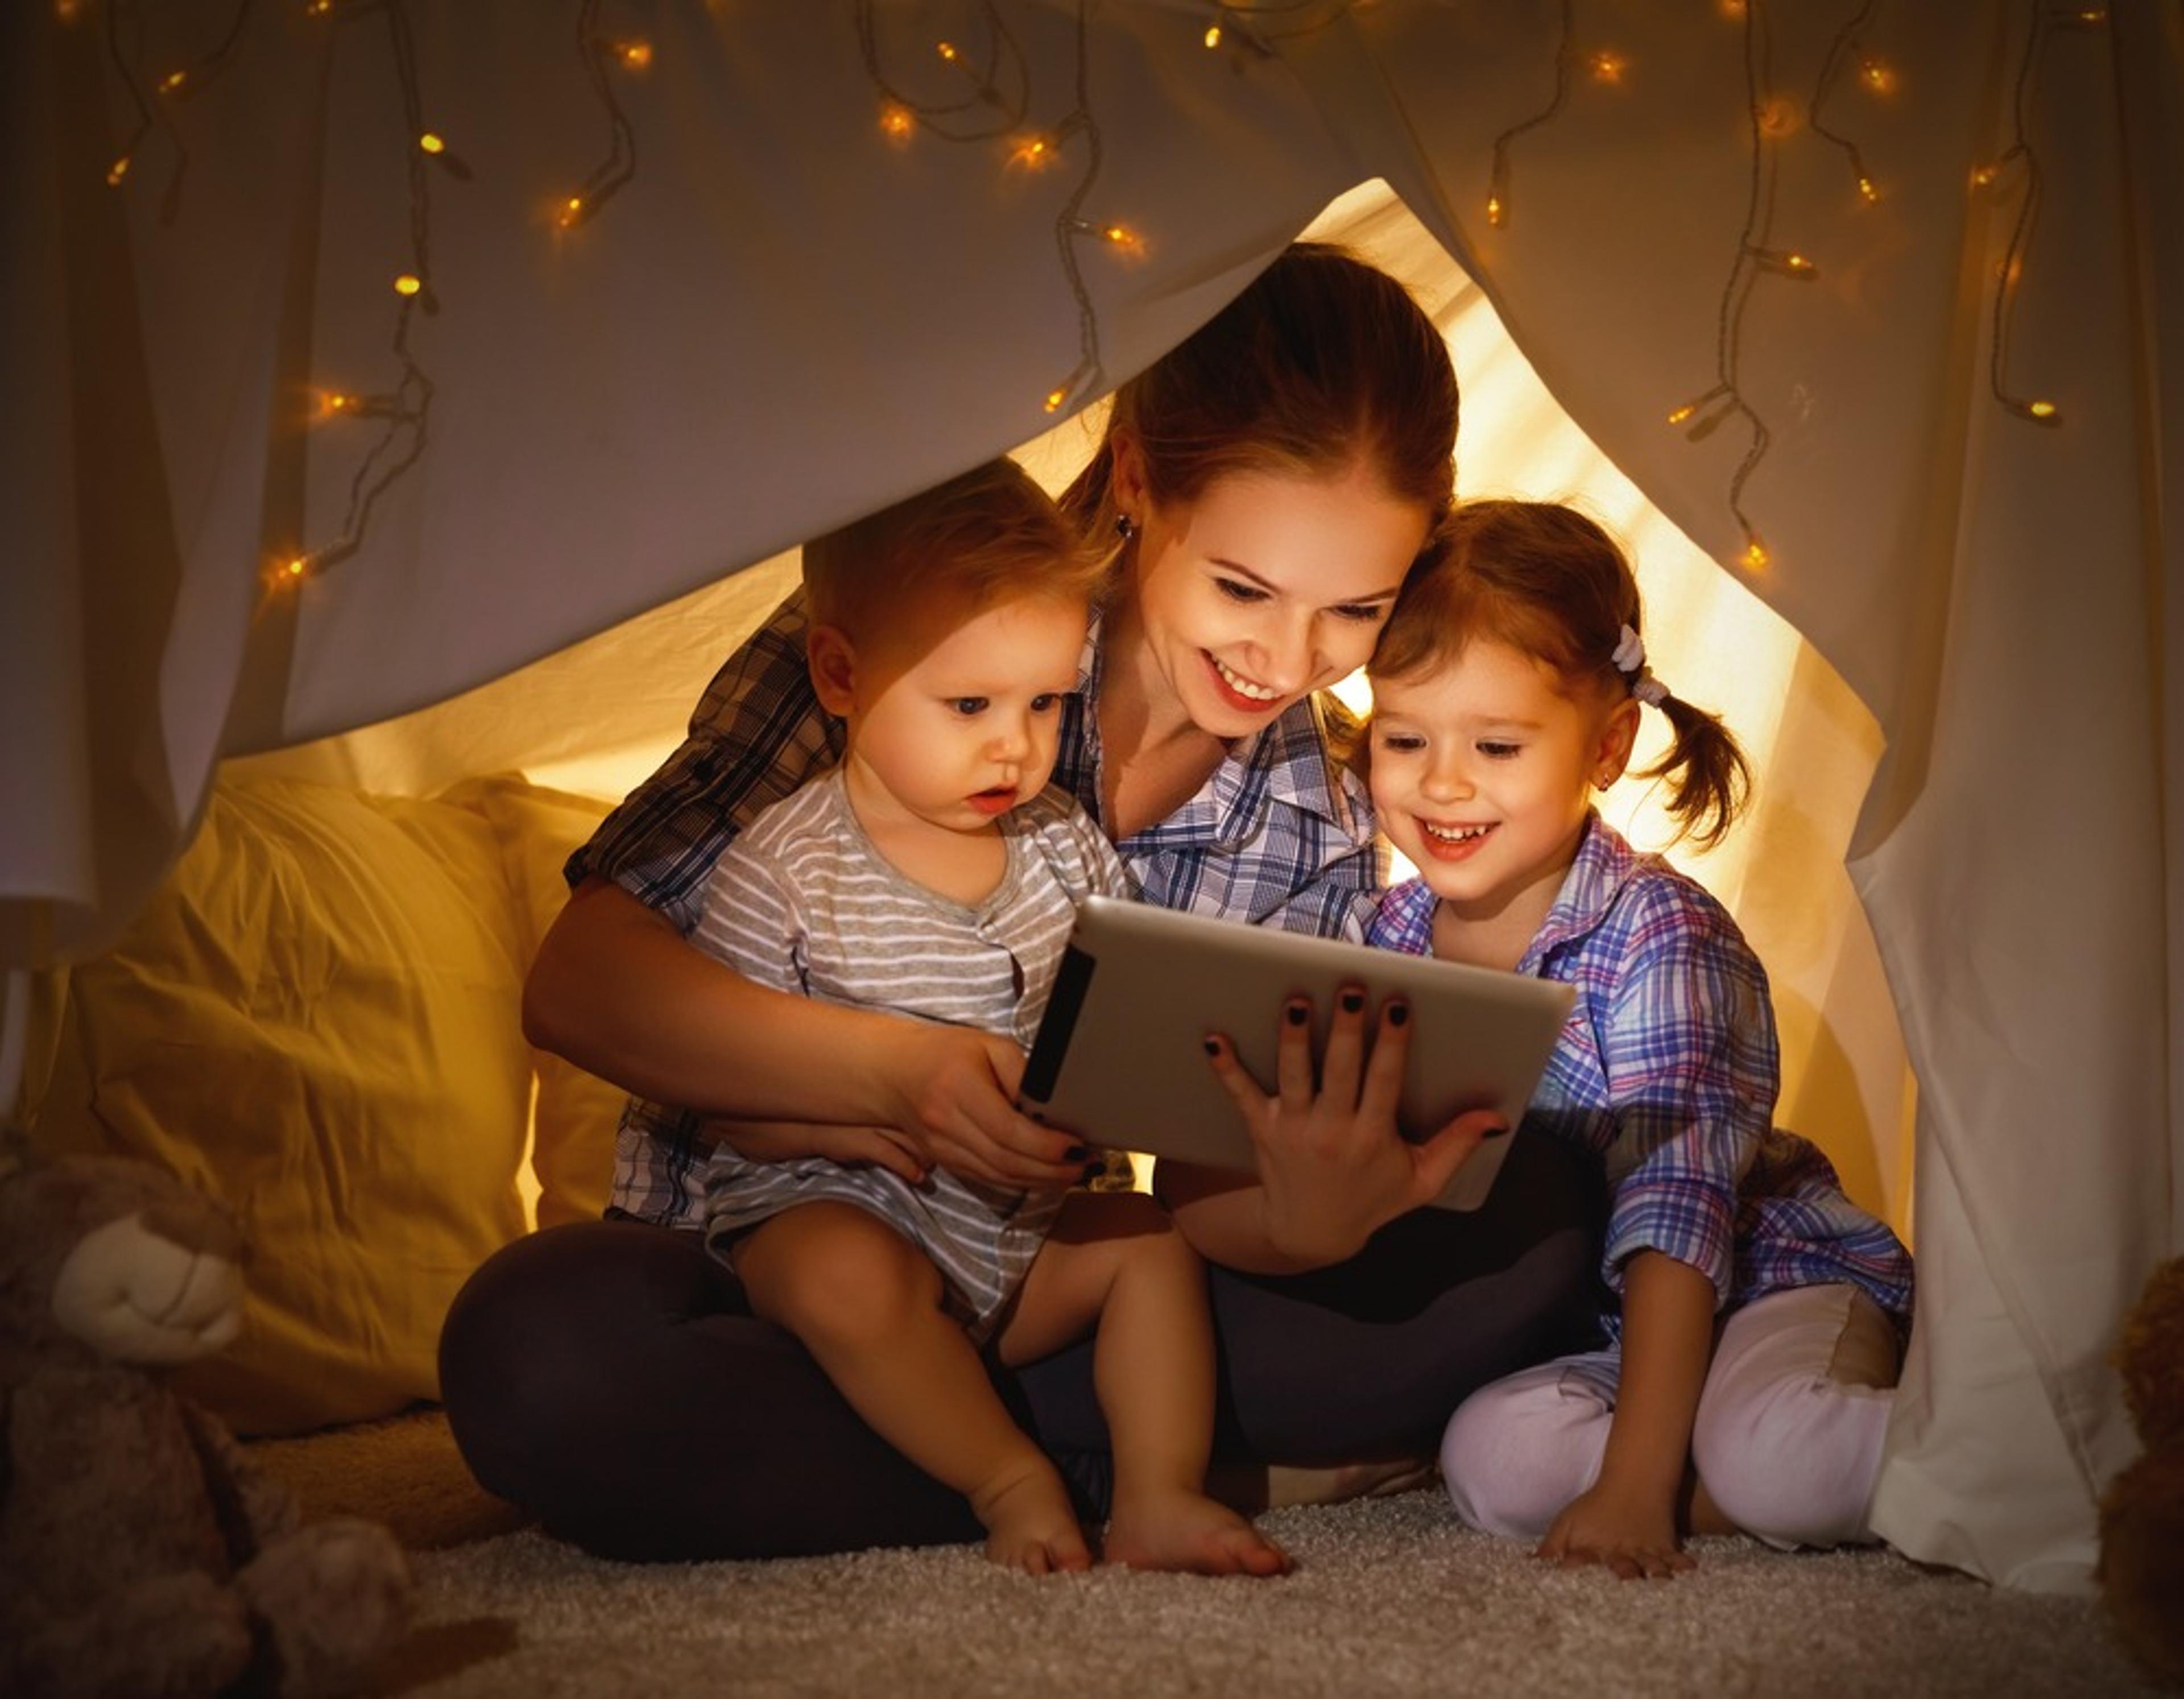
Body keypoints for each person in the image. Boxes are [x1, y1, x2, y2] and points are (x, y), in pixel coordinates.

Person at [439, 245, 1604, 1563]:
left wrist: (1306, 1215)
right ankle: (1083, 1460)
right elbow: (582, 980)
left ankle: (999, 1457)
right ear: (1137, 482)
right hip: (775, 1272)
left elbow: (1204, 1191)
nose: (1288, 662)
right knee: (537, 1353)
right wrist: (895, 1076)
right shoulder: (915, 619)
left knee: (1541, 1221)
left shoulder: (1320, 809)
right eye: (1241, 589)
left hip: (1053, 1279)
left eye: (1355, 613)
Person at [1209, 499, 1910, 1578]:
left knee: (1777, 1461)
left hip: (1764, 1283)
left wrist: (1634, 1488)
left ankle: (1999, 1441)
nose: (1443, 783)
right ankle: (1691, 1466)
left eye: (1496, 744)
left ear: (1607, 744)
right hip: (1600, 1334)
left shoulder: (1659, 934)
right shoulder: (1379, 938)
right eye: (1404, 738)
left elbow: (1677, 1222)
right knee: (1490, 1462)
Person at [693, 458, 1285, 1576]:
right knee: (836, 1273)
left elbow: (1120, 1026)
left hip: (1012, 1240)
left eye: (1047, 702)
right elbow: (729, 1105)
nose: (1016, 744)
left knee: (1152, 1250)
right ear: (839, 674)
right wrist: (854, 1125)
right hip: (851, 1222)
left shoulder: (1062, 846)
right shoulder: (783, 868)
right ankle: (1008, 1477)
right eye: (969, 705)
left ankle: (1160, 1492)